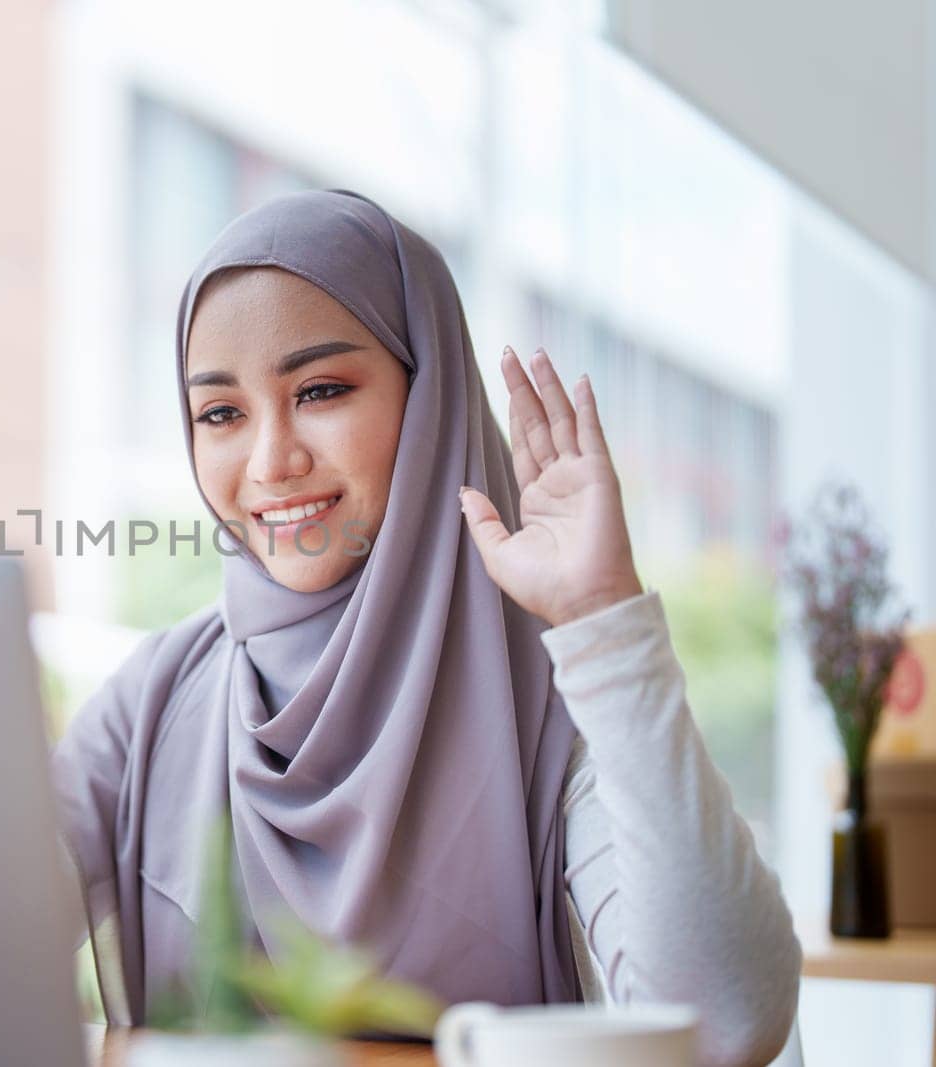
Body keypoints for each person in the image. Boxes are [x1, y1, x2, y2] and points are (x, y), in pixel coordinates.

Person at [50, 189, 800, 1067]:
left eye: (321, 389)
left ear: (430, 397)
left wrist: (605, 621)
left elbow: (725, 1020)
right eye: (221, 412)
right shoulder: (158, 698)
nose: (269, 461)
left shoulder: (554, 702)